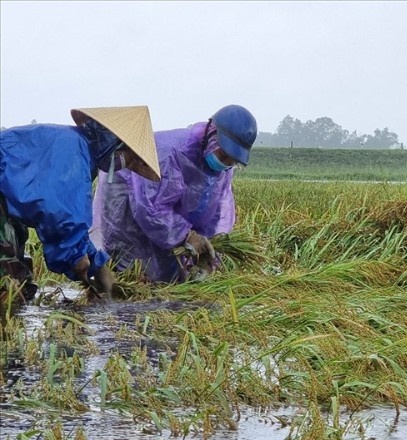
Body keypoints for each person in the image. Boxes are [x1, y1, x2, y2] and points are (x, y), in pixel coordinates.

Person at [1, 106, 161, 304]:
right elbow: (59, 215)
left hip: (7, 210)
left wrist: (98, 267)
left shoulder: (80, 150)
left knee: (19, 283)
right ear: (114, 144)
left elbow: (75, 224)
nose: (123, 164)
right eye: (126, 158)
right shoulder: (73, 150)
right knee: (8, 285)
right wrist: (77, 259)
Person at [92, 105, 257, 283]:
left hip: (160, 212)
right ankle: (117, 292)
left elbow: (213, 211)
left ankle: (159, 294)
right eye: (223, 155)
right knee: (130, 261)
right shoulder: (168, 153)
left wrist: (207, 249)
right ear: (211, 134)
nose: (225, 163)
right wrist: (186, 235)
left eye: (232, 161)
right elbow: (151, 209)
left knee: (168, 275)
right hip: (128, 193)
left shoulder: (222, 170)